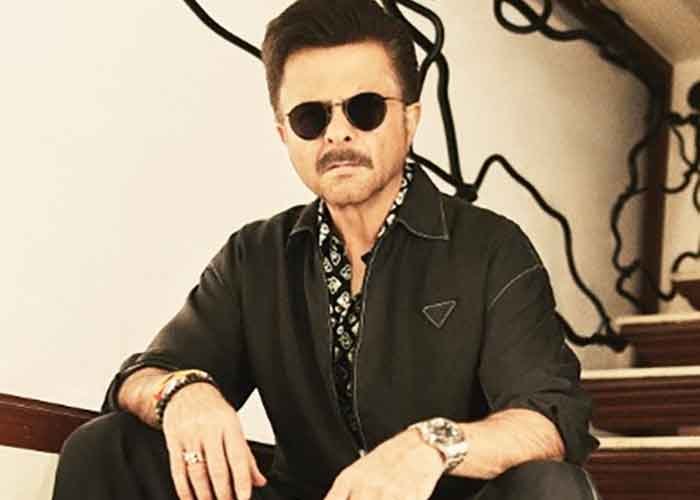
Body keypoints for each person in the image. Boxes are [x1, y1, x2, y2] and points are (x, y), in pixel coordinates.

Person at [52, 1, 601, 499]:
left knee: (551, 486)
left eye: (365, 108)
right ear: (284, 134)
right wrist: (182, 391)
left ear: (409, 119)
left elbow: (551, 418)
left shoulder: (491, 249)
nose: (337, 134)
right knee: (107, 447)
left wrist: (431, 445)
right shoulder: (255, 256)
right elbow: (143, 375)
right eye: (310, 117)